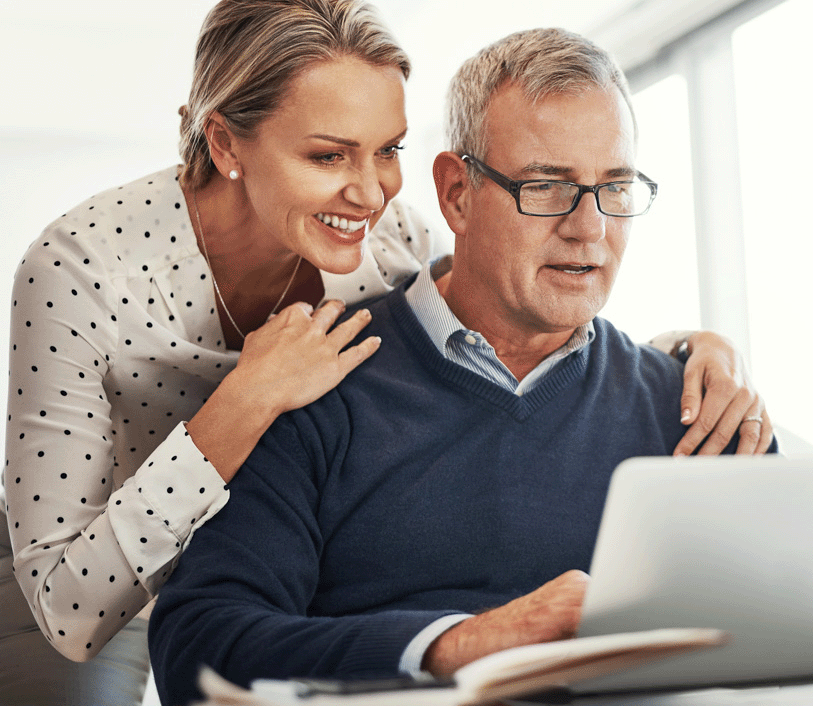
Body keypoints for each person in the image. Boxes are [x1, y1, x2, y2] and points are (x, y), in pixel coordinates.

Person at [0, 2, 770, 704]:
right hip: (83, 573)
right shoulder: (84, 271)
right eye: (330, 156)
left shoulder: (388, 241)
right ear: (226, 142)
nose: (370, 194)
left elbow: (515, 295)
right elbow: (85, 613)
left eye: (387, 151)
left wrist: (686, 356)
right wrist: (248, 399)